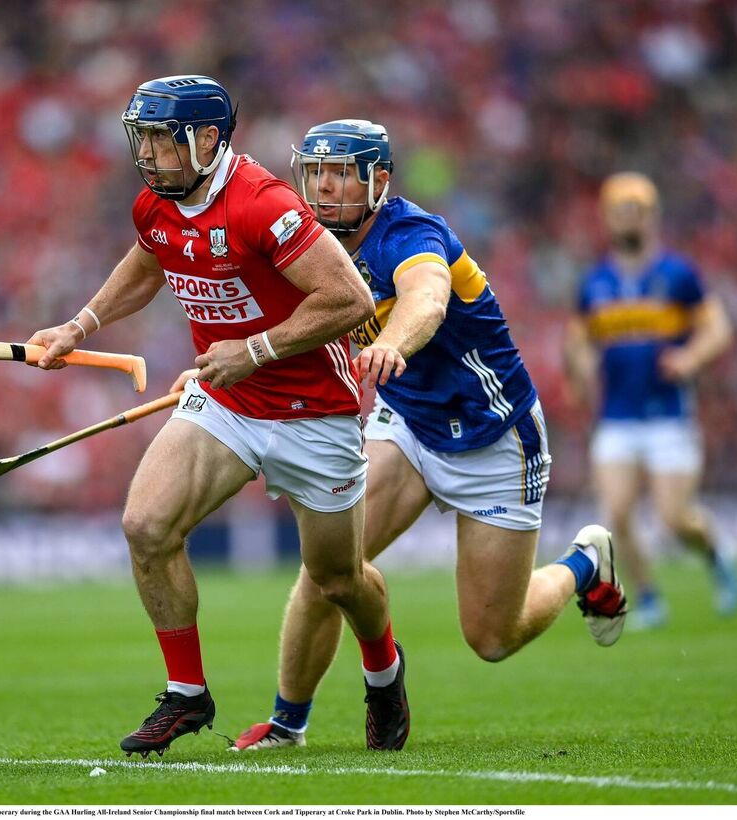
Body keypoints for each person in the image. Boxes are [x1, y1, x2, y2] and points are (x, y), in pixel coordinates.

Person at [26, 78, 407, 756]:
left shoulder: (263, 204)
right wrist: (79, 326)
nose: (146, 155)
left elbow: (349, 299)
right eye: (139, 138)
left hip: (313, 411)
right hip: (226, 401)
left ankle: (384, 670)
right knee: (146, 525)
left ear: (207, 139)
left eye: (159, 140)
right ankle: (186, 695)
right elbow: (151, 258)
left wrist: (256, 349)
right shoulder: (156, 203)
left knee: (338, 579)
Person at [230, 120, 627, 752]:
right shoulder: (311, 244)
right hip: (408, 428)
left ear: (378, 181)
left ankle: (584, 563)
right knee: (328, 569)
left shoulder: (411, 234)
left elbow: (428, 298)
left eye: (342, 174)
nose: (324, 188)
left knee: (492, 638)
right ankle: (287, 724)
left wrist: (391, 340)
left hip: (494, 437)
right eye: (316, 173)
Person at [562, 172, 737, 630]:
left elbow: (719, 329)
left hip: (668, 415)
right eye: (619, 211)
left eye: (635, 211)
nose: (627, 219)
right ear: (607, 219)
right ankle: (648, 598)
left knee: (674, 518)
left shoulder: (678, 275)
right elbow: (577, 339)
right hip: (617, 416)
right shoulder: (595, 282)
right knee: (616, 514)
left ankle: (715, 550)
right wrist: (581, 366)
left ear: (651, 216)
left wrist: (690, 357)